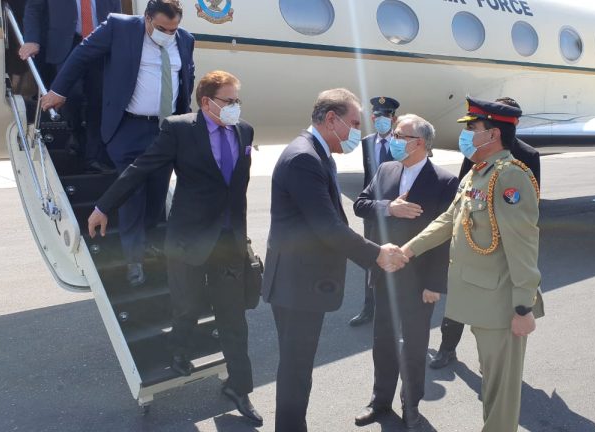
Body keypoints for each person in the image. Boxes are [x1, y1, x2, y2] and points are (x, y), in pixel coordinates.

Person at [86, 70, 262, 425]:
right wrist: (105, 205)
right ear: (206, 101)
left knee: (233, 319)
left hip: (228, 242)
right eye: (229, 101)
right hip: (188, 239)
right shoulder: (180, 129)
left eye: (237, 101)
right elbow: (142, 168)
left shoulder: (244, 131)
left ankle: (240, 389)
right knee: (187, 307)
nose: (235, 108)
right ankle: (179, 351)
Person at [262, 88, 408, 432]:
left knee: (298, 368)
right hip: (296, 285)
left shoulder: (317, 152)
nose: (358, 130)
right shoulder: (304, 158)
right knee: (296, 370)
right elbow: (327, 227)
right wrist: (377, 255)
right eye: (354, 123)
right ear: (332, 119)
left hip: (298, 280)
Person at [401, 96, 545, 432]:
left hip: (503, 306)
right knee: (491, 389)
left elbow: (523, 245)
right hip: (479, 301)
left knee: (500, 395)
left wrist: (523, 307)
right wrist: (407, 250)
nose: (466, 134)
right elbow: (448, 220)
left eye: (472, 128)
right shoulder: (478, 173)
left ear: (492, 135)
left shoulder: (510, 177)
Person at [42, 0, 196, 288]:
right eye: (162, 28)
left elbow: (185, 77)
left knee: (156, 192)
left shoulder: (185, 39)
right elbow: (81, 55)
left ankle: (148, 244)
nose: (168, 33)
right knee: (131, 192)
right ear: (147, 18)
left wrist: (184, 121)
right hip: (129, 127)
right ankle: (134, 261)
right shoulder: (120, 26)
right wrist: (59, 90)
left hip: (165, 130)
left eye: (173, 29)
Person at [352, 114, 458, 430]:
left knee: (414, 345)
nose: (394, 139)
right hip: (384, 270)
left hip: (419, 279)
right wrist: (389, 207)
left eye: (401, 135)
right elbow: (361, 204)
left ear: (420, 143)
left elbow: (446, 238)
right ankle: (380, 400)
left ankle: (411, 405)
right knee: (383, 339)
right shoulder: (385, 170)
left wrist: (435, 283)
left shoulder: (444, 181)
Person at [430, 96, 542, 369]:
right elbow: (465, 188)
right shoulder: (477, 151)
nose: (468, 134)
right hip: (471, 237)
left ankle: (488, 357)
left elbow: (530, 202)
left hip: (498, 247)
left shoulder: (526, 157)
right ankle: (447, 349)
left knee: (492, 308)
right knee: (457, 301)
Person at [20, 0, 122, 172]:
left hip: (100, 46)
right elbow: (33, 9)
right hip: (67, 45)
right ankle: (76, 133)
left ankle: (93, 155)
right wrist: (31, 39)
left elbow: (117, 17)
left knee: (98, 100)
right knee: (70, 95)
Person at [350, 96, 400, 327]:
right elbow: (367, 178)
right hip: (372, 214)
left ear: (394, 118)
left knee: (398, 260)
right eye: (378, 115)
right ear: (372, 118)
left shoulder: (402, 143)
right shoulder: (367, 142)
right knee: (372, 258)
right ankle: (368, 307)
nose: (382, 119)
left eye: (387, 115)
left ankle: (396, 310)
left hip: (397, 214)